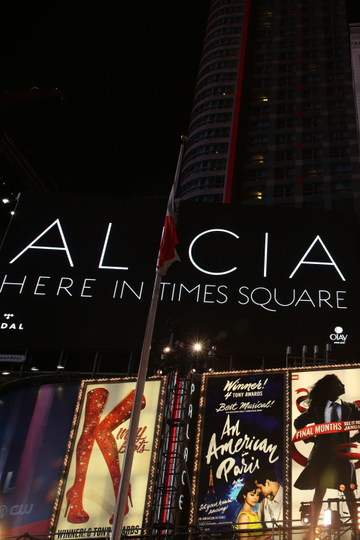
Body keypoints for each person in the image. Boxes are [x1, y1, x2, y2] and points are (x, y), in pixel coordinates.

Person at [293, 373, 360, 527]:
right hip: (322, 457)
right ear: (330, 388)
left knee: (349, 492)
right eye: (339, 384)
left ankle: (357, 530)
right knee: (319, 492)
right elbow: (298, 422)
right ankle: (313, 528)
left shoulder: (350, 408)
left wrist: (356, 438)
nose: (343, 386)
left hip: (342, 457)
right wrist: (309, 438)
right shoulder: (318, 409)